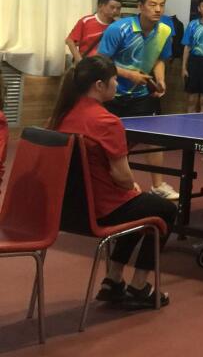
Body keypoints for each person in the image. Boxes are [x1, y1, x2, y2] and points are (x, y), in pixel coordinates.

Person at [51, 56, 177, 309]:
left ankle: (114, 280)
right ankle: (139, 285)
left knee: (138, 204)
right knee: (165, 209)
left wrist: (130, 191)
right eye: (114, 80)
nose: (117, 85)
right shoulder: (107, 122)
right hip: (101, 211)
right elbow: (123, 178)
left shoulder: (61, 117)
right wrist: (132, 186)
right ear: (99, 85)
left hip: (65, 212)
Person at [97, 0, 178, 200]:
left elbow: (159, 59)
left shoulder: (165, 30)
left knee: (154, 138)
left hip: (141, 94)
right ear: (140, 6)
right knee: (112, 143)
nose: (158, 9)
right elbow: (101, 62)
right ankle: (110, 184)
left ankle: (158, 185)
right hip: (113, 94)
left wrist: (160, 79)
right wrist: (129, 75)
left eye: (161, 5)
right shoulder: (118, 29)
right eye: (152, 5)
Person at [66, 0, 123, 64]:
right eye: (112, 7)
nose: (115, 11)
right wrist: (79, 60)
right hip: (86, 63)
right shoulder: (86, 21)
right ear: (101, 6)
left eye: (118, 8)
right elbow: (70, 40)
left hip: (106, 64)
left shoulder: (118, 26)